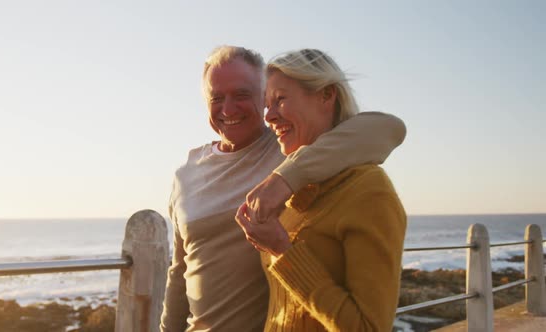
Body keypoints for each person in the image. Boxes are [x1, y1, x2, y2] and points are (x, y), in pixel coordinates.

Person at [160, 46, 406, 332]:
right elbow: (180, 272)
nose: (228, 109)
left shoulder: (289, 148)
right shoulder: (186, 174)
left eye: (242, 95)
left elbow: (389, 128)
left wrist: (285, 176)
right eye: (217, 98)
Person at [236, 49, 407, 331]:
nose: (269, 117)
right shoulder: (291, 188)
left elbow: (369, 327)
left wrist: (282, 251)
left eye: (280, 100)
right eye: (267, 105)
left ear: (327, 95)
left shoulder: (369, 191)